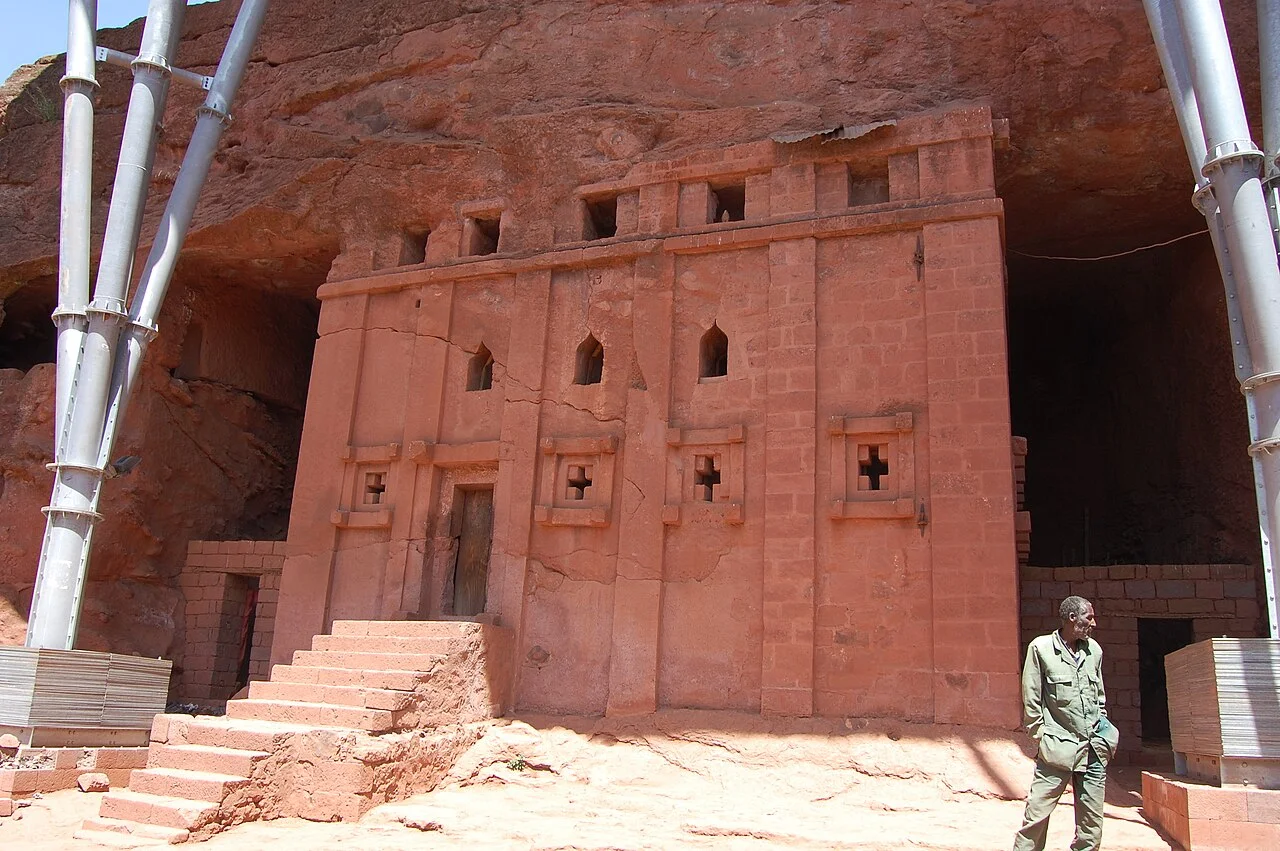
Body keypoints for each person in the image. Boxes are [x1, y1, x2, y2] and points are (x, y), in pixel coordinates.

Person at [1012, 595, 1119, 851]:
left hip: (1093, 748)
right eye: (1089, 617)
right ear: (1073, 618)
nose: (1093, 623)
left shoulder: (1094, 651)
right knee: (1035, 818)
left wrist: (1103, 733)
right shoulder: (1041, 649)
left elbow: (1099, 697)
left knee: (1091, 827)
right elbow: (1032, 697)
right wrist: (1041, 737)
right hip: (1057, 748)